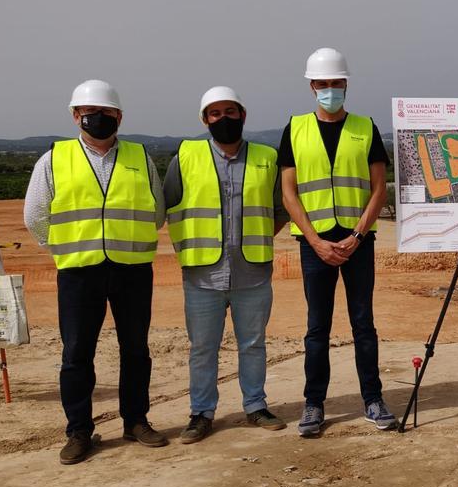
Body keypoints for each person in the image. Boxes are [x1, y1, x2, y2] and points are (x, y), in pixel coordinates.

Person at [23, 79, 167, 464]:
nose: (99, 118)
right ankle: (79, 432)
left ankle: (136, 421)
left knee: (135, 349)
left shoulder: (140, 156)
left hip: (132, 268)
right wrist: (65, 247)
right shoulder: (54, 159)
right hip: (79, 272)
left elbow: (156, 212)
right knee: (76, 353)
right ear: (76, 116)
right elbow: (35, 215)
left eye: (107, 112)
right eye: (91, 112)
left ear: (119, 116)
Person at [279, 47, 395, 436]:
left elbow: (378, 188)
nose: (330, 89)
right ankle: (313, 404)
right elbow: (289, 193)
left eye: (336, 83)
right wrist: (314, 241)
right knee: (317, 328)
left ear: (346, 84)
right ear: (312, 86)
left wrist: (358, 234)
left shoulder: (365, 128)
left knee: (363, 324)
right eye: (323, 83)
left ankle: (373, 399)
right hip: (315, 245)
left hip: (357, 241)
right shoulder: (295, 129)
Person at [164, 87, 290, 444]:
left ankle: (256, 406)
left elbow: (280, 209)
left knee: (253, 344)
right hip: (202, 274)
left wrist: (254, 236)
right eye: (215, 113)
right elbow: (168, 206)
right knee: (203, 348)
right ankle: (201, 413)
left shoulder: (266, 158)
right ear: (205, 120)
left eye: (230, 112)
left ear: (242, 115)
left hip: (252, 272)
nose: (223, 118)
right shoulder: (186, 156)